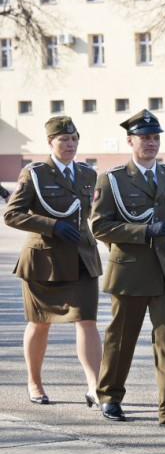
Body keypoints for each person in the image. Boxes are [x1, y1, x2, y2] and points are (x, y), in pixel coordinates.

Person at [90, 110, 165, 430]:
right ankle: (110, 397)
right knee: (121, 340)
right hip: (130, 271)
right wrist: (142, 232)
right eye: (144, 138)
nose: (150, 143)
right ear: (130, 141)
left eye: (155, 138)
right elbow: (99, 225)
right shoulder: (111, 179)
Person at [3, 116, 103, 406]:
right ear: (50, 142)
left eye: (74, 139)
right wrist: (52, 225)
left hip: (82, 257)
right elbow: (12, 214)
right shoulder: (34, 173)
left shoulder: (87, 173)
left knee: (87, 321)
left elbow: (92, 212)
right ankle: (34, 383)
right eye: (64, 140)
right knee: (40, 323)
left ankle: (94, 386)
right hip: (44, 260)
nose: (70, 144)